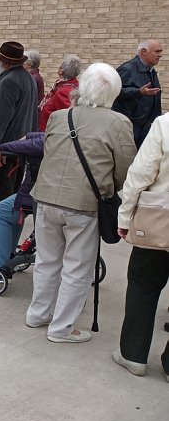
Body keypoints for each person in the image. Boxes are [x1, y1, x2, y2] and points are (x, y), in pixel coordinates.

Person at [27, 63, 136, 342]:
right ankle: (61, 328)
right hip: (84, 203)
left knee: (47, 260)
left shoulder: (60, 116)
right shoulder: (118, 123)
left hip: (47, 197)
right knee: (77, 267)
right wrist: (112, 188)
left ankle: (38, 314)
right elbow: (125, 169)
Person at [115, 111, 169, 380]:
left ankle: (133, 354)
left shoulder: (165, 124)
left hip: (160, 221)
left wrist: (125, 216)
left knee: (143, 284)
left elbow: (140, 175)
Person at [0, 41, 38, 203]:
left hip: (5, 145)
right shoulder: (27, 78)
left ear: (5, 62)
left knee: (2, 188)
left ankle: (3, 225)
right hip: (20, 143)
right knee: (12, 186)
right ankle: (7, 222)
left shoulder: (9, 81)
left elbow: (1, 117)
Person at [0, 132, 45, 273]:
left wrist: (2, 148)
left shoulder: (59, 135)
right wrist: (27, 136)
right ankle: (7, 254)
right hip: (58, 193)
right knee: (13, 212)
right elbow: (38, 138)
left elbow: (40, 142)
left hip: (41, 194)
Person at [112, 39, 163, 148]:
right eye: (157, 52)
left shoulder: (151, 70)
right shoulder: (127, 69)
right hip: (132, 127)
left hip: (147, 126)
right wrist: (138, 91)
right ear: (144, 51)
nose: (160, 55)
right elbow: (114, 92)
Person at [38, 54, 81, 131]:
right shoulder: (64, 85)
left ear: (61, 71)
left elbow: (68, 117)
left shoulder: (65, 91)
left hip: (51, 132)